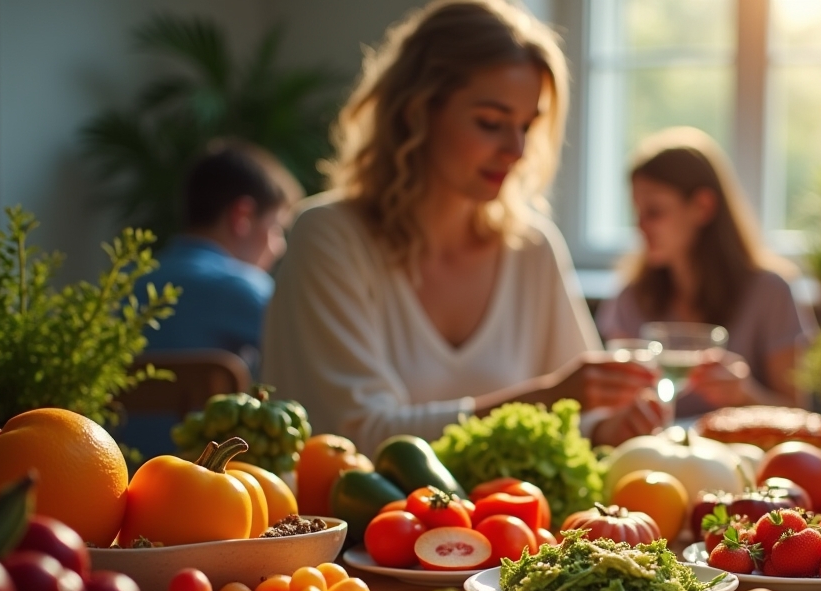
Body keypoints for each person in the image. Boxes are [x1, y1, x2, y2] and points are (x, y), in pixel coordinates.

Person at [261, 0, 662, 451]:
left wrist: (613, 426)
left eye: (527, 126)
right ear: (416, 112)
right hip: (362, 523)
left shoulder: (532, 247)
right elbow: (353, 438)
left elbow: (581, 421)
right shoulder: (328, 237)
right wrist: (545, 401)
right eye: (490, 123)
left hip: (510, 520)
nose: (516, 148)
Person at [598, 126, 817, 416]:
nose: (641, 227)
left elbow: (800, 414)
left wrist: (745, 394)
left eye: (654, 212)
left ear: (702, 206)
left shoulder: (771, 292)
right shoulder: (631, 297)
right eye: (637, 213)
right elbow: (609, 409)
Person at [144, 139, 302, 372]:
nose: (280, 247)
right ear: (243, 217)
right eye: (276, 228)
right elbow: (312, 357)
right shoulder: (244, 289)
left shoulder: (124, 286)